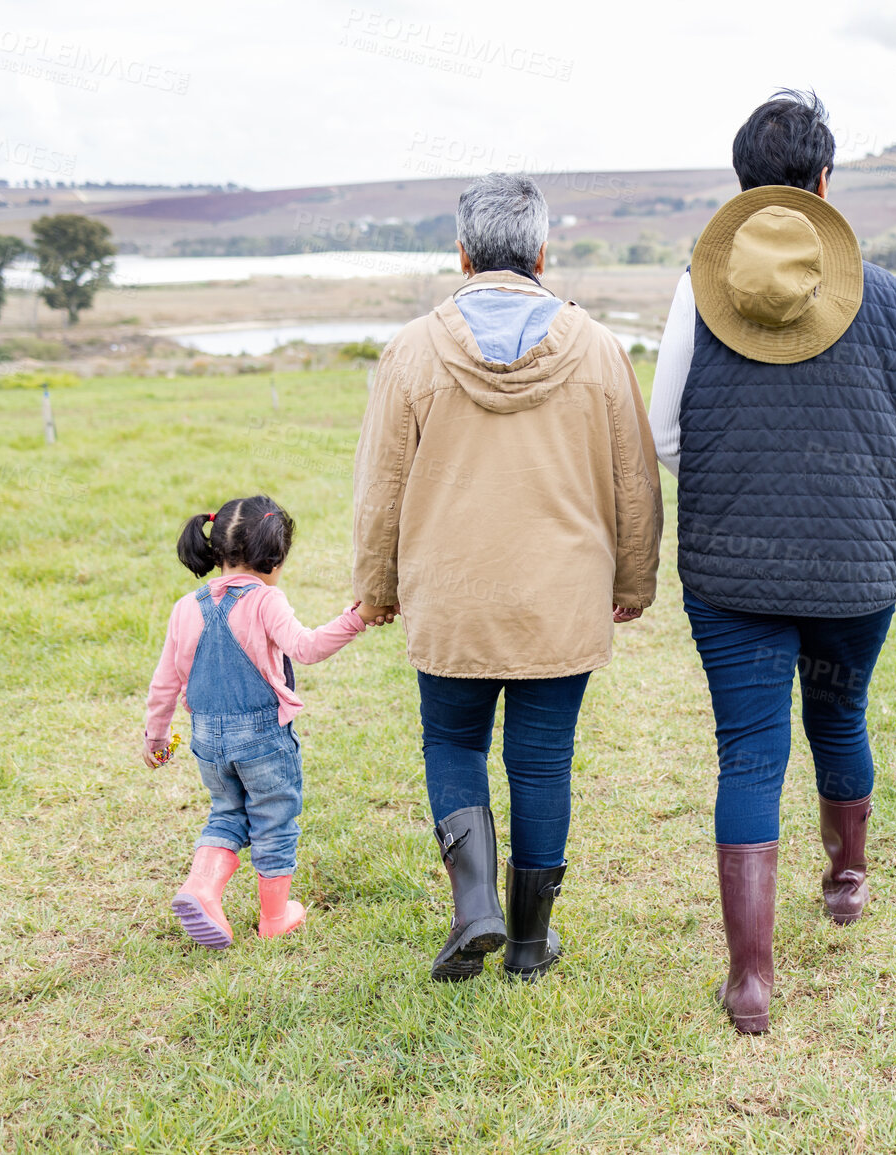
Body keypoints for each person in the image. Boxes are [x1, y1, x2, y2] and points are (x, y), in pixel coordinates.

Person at [648, 90, 896, 1033]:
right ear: (823, 184)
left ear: (739, 188)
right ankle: (846, 879)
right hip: (856, 562)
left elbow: (663, 435)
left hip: (734, 569)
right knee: (839, 712)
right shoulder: (887, 297)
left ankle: (751, 979)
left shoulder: (695, 291)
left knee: (749, 751)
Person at [353, 172, 663, 983]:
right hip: (559, 599)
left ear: (461, 253)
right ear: (541, 251)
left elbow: (380, 485)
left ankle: (474, 909)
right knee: (543, 760)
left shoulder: (413, 349)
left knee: (452, 740)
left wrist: (376, 587)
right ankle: (528, 943)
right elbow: (634, 477)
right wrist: (634, 577)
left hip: (452, 596)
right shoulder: (596, 347)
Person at [144, 495, 388, 949]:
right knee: (274, 819)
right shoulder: (265, 600)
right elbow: (308, 647)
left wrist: (156, 737)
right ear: (273, 557)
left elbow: (164, 683)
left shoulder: (186, 606)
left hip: (207, 741)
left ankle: (201, 887)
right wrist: (357, 618)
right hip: (261, 738)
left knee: (227, 812)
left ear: (216, 551)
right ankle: (275, 917)